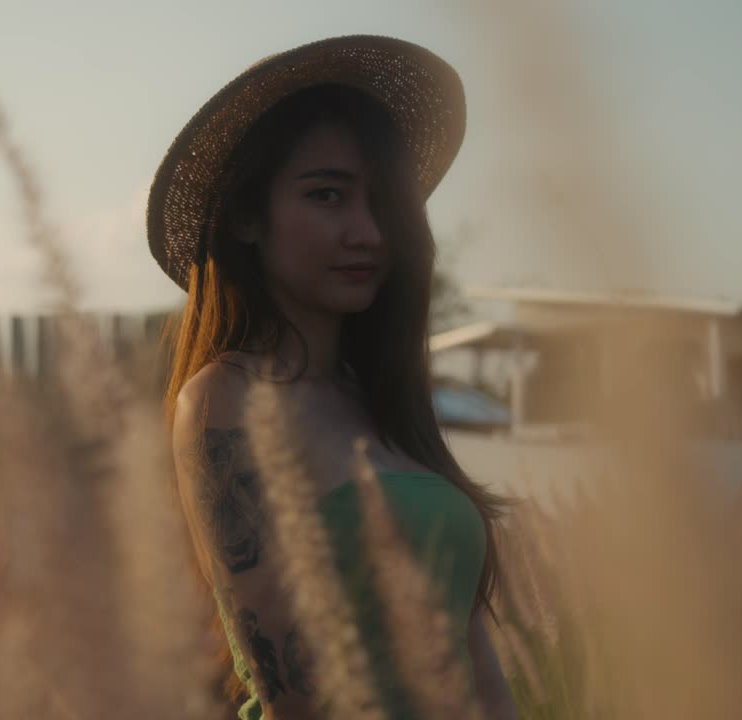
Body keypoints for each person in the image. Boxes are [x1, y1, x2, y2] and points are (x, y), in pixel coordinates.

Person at [149, 35, 517, 719]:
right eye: (327, 196)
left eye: (382, 203)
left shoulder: (385, 401)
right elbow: (294, 689)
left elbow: (480, 671)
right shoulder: (226, 403)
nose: (369, 232)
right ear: (247, 217)